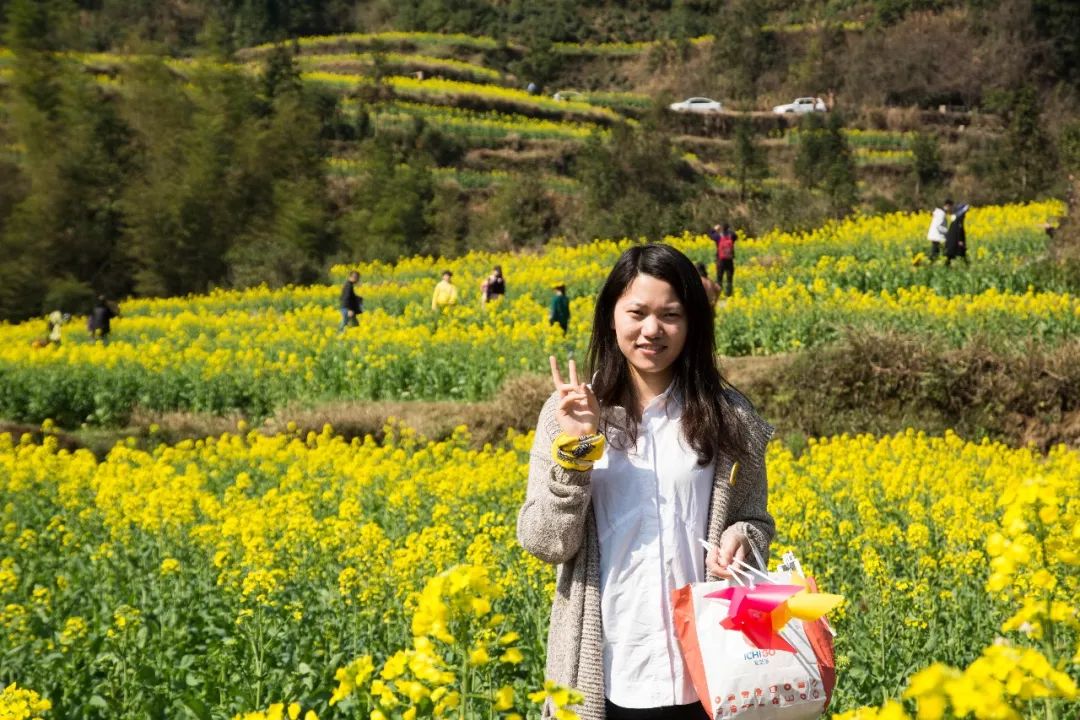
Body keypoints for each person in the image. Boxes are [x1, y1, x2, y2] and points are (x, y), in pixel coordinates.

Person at [518, 244, 774, 720]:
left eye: (670, 315)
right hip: (606, 670)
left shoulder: (730, 417)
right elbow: (545, 541)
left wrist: (741, 540)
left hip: (710, 670)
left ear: (693, 323)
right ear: (610, 317)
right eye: (637, 312)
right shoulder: (568, 414)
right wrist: (576, 450)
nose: (652, 330)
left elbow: (753, 520)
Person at [713, 224, 737, 297]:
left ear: (721, 229)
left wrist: (715, 229)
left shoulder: (718, 237)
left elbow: (711, 235)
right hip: (729, 260)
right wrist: (730, 230)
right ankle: (728, 294)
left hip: (720, 261)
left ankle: (718, 295)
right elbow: (736, 236)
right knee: (729, 278)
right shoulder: (731, 237)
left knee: (719, 278)